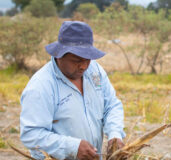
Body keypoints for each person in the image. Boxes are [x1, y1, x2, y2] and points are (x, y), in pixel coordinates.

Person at [20, 21, 125, 160]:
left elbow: (111, 105)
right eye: (76, 60)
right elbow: (31, 135)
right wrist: (72, 147)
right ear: (59, 55)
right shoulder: (41, 86)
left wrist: (115, 134)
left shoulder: (95, 71)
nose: (84, 66)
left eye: (88, 59)